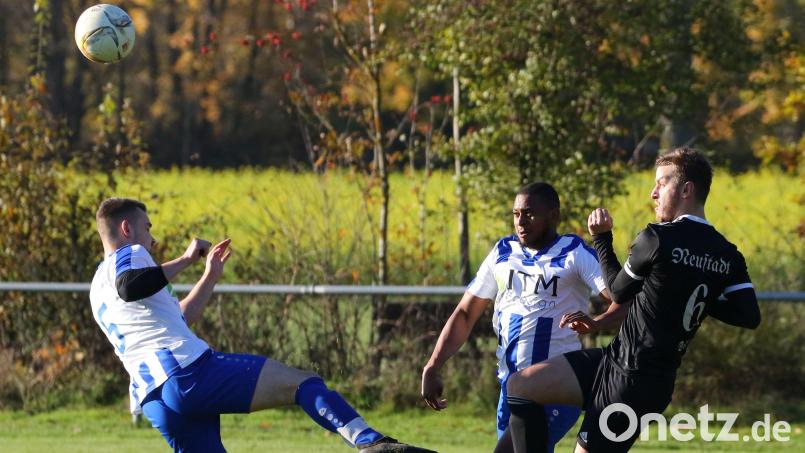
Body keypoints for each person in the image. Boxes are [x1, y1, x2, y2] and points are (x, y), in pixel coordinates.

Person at [89, 197, 435, 453]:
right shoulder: (131, 255)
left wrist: (209, 275)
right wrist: (185, 258)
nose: (152, 239)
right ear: (126, 228)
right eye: (147, 229)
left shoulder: (95, 289)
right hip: (185, 373)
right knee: (302, 382)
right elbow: (131, 287)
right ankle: (371, 443)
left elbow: (178, 318)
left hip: (153, 398)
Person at [505, 147, 761, 453]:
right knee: (521, 387)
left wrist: (601, 238)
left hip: (633, 383)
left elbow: (618, 291)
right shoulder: (726, 253)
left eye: (661, 183)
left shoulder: (657, 238)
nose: (653, 193)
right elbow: (748, 314)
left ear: (686, 189)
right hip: (615, 361)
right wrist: (692, 288)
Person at [420, 182, 627, 453]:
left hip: (555, 387)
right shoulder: (503, 252)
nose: (521, 221)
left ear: (553, 216)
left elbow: (624, 300)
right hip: (511, 390)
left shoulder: (574, 252)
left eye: (529, 213)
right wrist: (433, 365)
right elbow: (465, 313)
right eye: (516, 214)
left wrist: (597, 322)